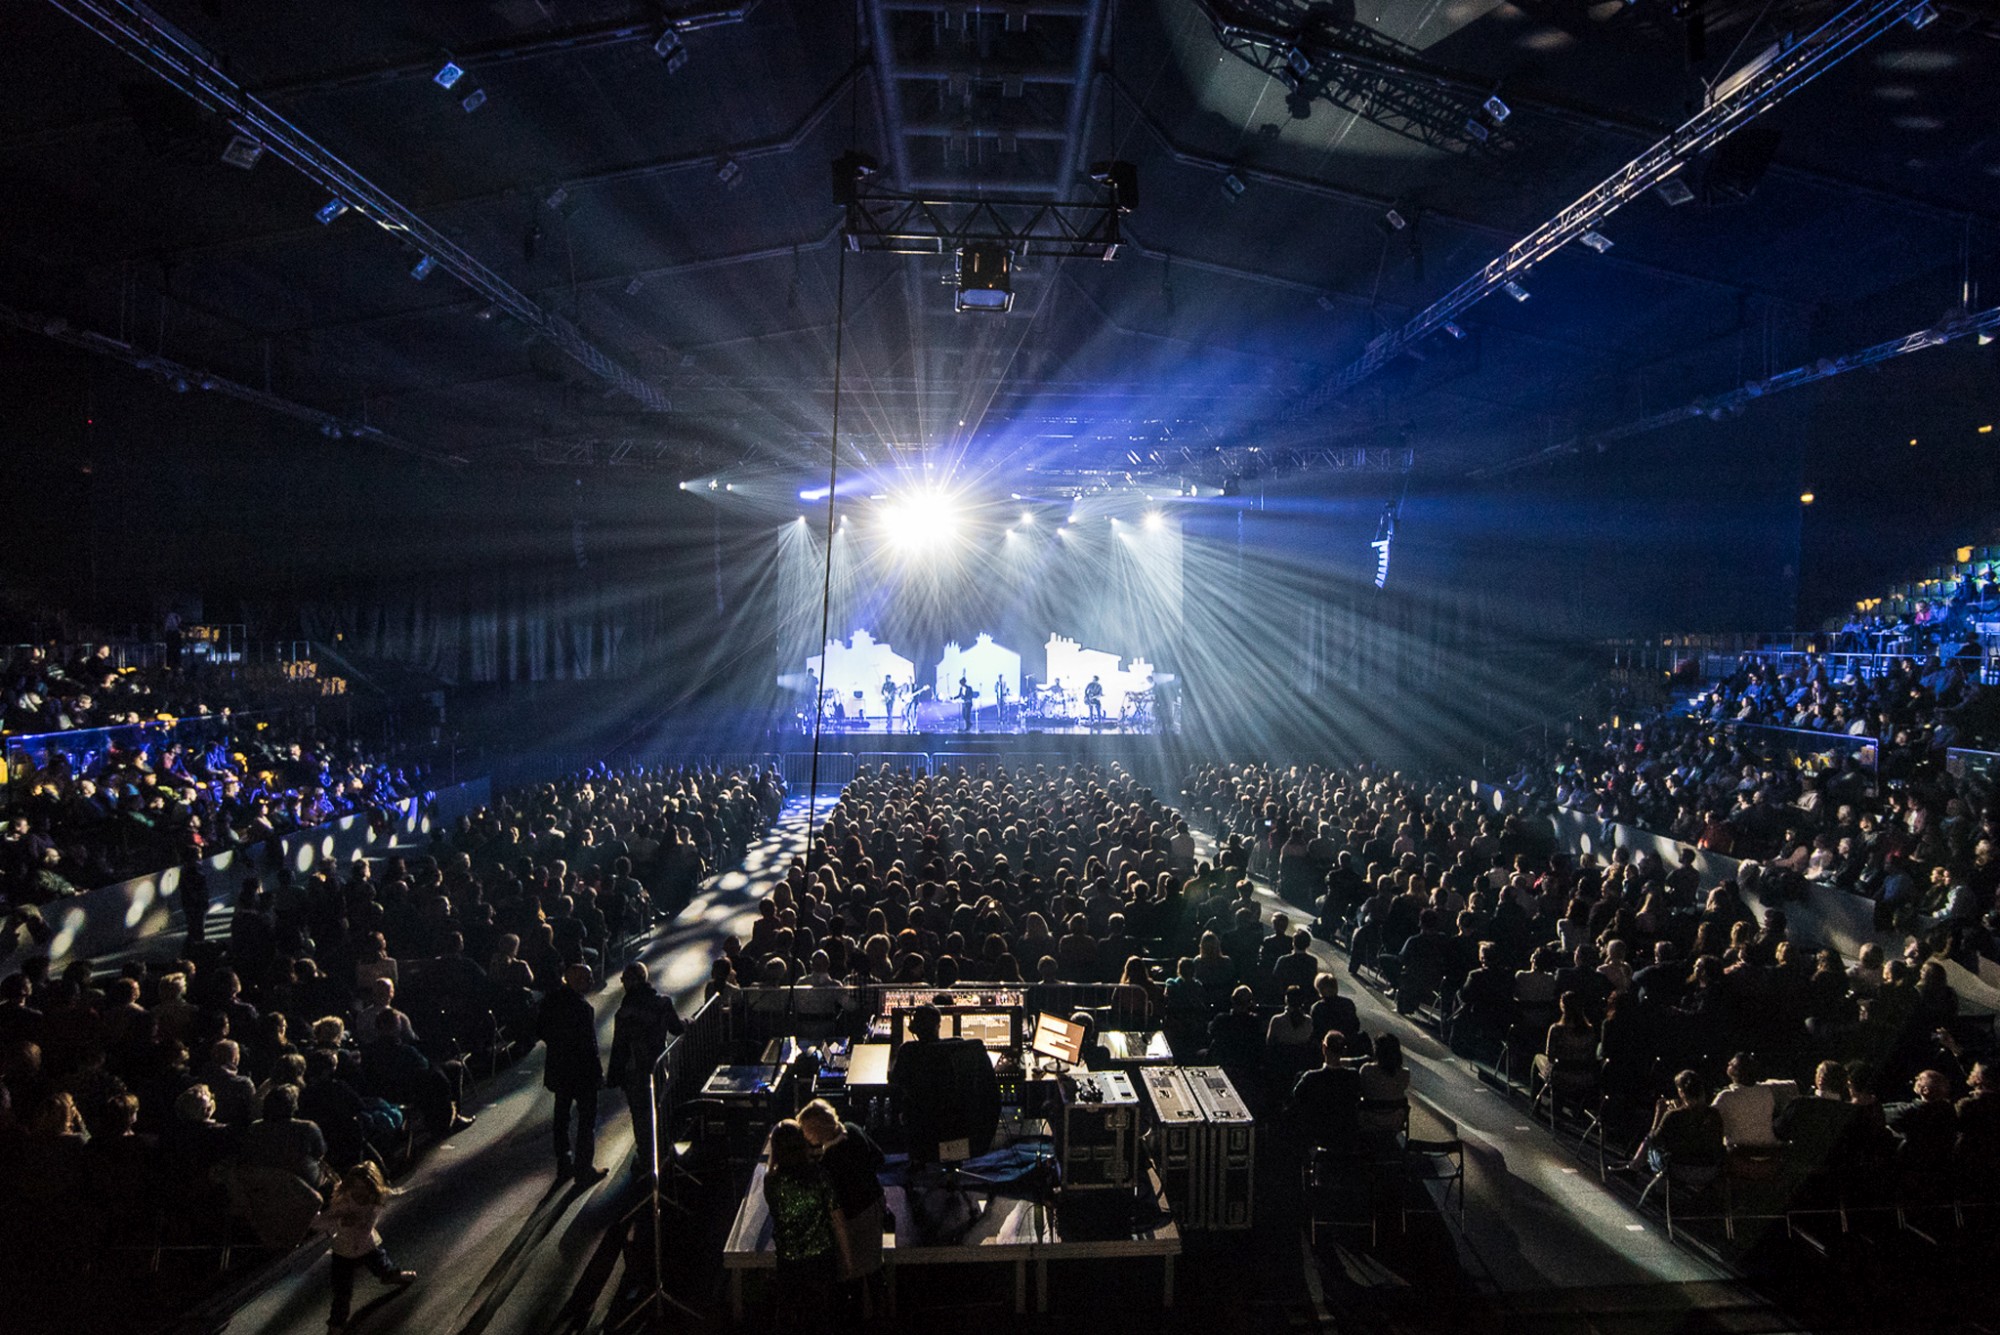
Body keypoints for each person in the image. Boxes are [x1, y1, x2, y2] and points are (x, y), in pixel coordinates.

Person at [798, 1098, 887, 1326]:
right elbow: (879, 1158)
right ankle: (881, 1312)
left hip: (856, 1217)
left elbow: (833, 1203)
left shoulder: (829, 1163)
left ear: (817, 1132)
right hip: (875, 1203)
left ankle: (860, 1317)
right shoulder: (853, 1129)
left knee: (854, 1270)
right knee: (875, 1265)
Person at [313, 1162, 416, 1332]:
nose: (359, 1193)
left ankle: (392, 1276)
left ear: (372, 1186)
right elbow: (323, 1221)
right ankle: (336, 1324)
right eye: (356, 1188)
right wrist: (338, 1220)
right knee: (342, 1292)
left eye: (363, 1189)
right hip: (343, 1251)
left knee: (381, 1263)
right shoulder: (344, 1200)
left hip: (366, 1245)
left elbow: (394, 1197)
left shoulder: (376, 1200)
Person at [607, 962, 685, 1176]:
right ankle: (665, 1152)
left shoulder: (625, 1012)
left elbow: (619, 1047)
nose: (622, 983)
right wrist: (689, 1022)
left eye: (624, 979)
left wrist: (614, 1076)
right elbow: (676, 1028)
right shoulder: (661, 1003)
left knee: (640, 1115)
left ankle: (647, 1158)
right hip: (657, 1067)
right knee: (660, 1109)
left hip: (634, 1071)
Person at [764, 1118, 839, 1335]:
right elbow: (837, 1219)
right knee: (824, 1318)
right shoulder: (819, 1176)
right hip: (822, 1260)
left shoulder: (771, 1181)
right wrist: (848, 1259)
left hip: (788, 1261)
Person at [538, 964, 604, 1184]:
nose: (591, 982)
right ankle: (584, 1168)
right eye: (588, 978)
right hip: (582, 1072)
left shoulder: (550, 1001)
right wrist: (598, 1073)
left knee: (561, 1117)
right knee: (586, 1120)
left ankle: (564, 1163)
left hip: (559, 1068)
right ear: (576, 981)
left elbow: (541, 1030)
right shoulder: (583, 1008)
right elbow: (589, 1045)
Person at [1289, 1029, 1360, 1149]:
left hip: (1318, 1130)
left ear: (1324, 1049)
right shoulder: (1353, 1076)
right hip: (1345, 1129)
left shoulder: (1310, 1077)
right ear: (1344, 1051)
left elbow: (1296, 1097)